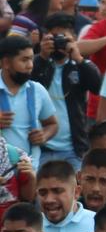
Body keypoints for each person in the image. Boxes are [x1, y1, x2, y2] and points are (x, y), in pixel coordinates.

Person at [30, 13, 100, 167]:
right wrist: (41, 56)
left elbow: (97, 87)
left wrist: (78, 58)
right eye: (54, 37)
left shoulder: (81, 65)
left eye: (63, 37)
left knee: (75, 189)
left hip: (73, 149)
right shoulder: (38, 63)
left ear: (73, 38)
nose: (59, 42)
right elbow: (25, 80)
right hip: (40, 147)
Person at [0, 35, 57, 164]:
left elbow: (52, 124)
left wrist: (44, 135)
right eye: (24, 60)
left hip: (30, 172)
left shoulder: (38, 90)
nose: (30, 65)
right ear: (6, 63)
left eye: (31, 59)